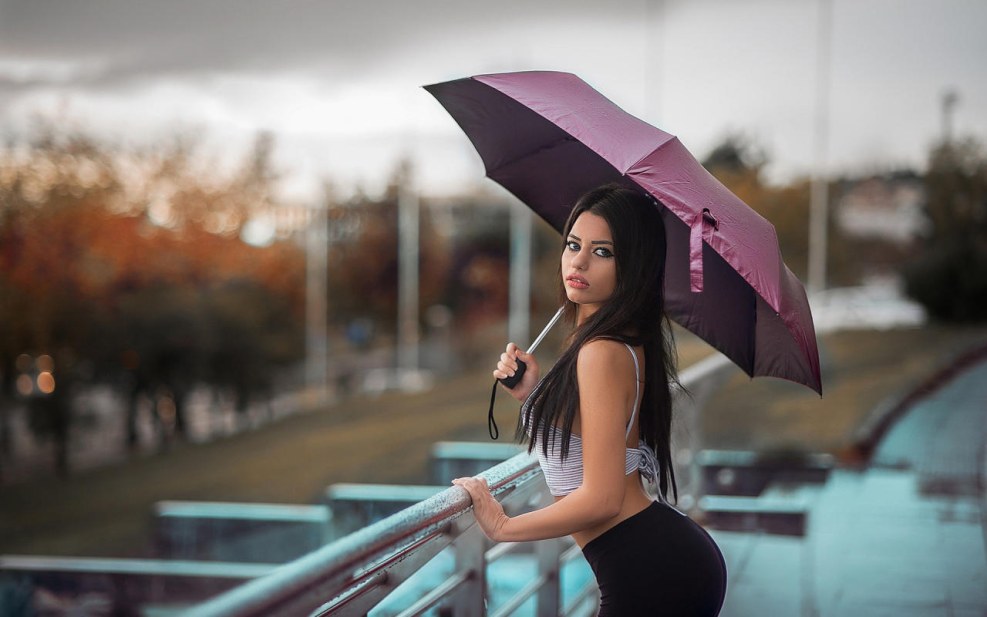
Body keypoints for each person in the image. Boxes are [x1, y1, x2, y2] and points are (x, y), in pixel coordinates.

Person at [453, 184, 727, 615]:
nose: (578, 261)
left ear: (632, 266)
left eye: (603, 252)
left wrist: (504, 527)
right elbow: (593, 438)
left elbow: (601, 498)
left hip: (650, 573)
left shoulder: (600, 351)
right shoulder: (615, 343)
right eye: (573, 244)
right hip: (658, 560)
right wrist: (532, 394)